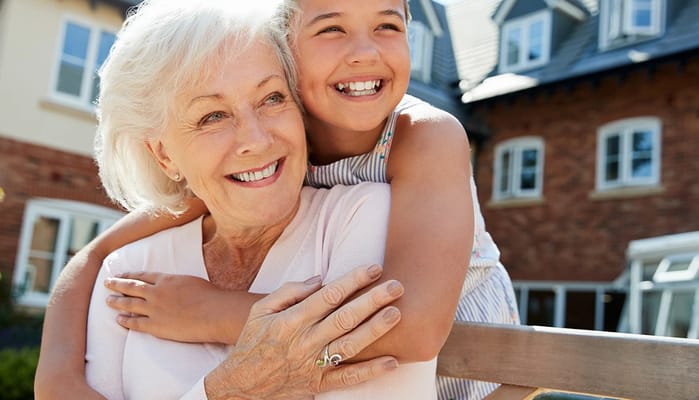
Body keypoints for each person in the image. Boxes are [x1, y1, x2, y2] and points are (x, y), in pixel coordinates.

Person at [38, 0, 520, 399]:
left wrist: (210, 311)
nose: (364, 51)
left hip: (488, 379)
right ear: (288, 52)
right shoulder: (283, 141)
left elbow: (411, 327)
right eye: (331, 29)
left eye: (388, 25)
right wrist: (57, 373)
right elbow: (98, 252)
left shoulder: (424, 137)